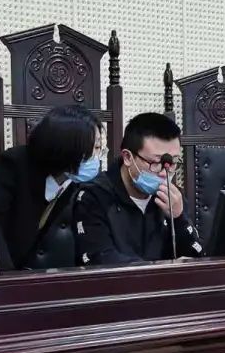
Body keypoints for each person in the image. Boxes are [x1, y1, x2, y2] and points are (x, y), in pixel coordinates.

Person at [0, 105, 103, 270]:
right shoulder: (13, 164)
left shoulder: (72, 180)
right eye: (96, 148)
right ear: (69, 148)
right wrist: (10, 279)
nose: (99, 157)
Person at [74, 112, 203, 265]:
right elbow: (99, 258)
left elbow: (197, 256)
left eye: (172, 163)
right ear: (128, 157)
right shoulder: (94, 195)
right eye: (156, 163)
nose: (164, 173)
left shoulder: (172, 196)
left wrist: (178, 218)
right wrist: (160, 268)